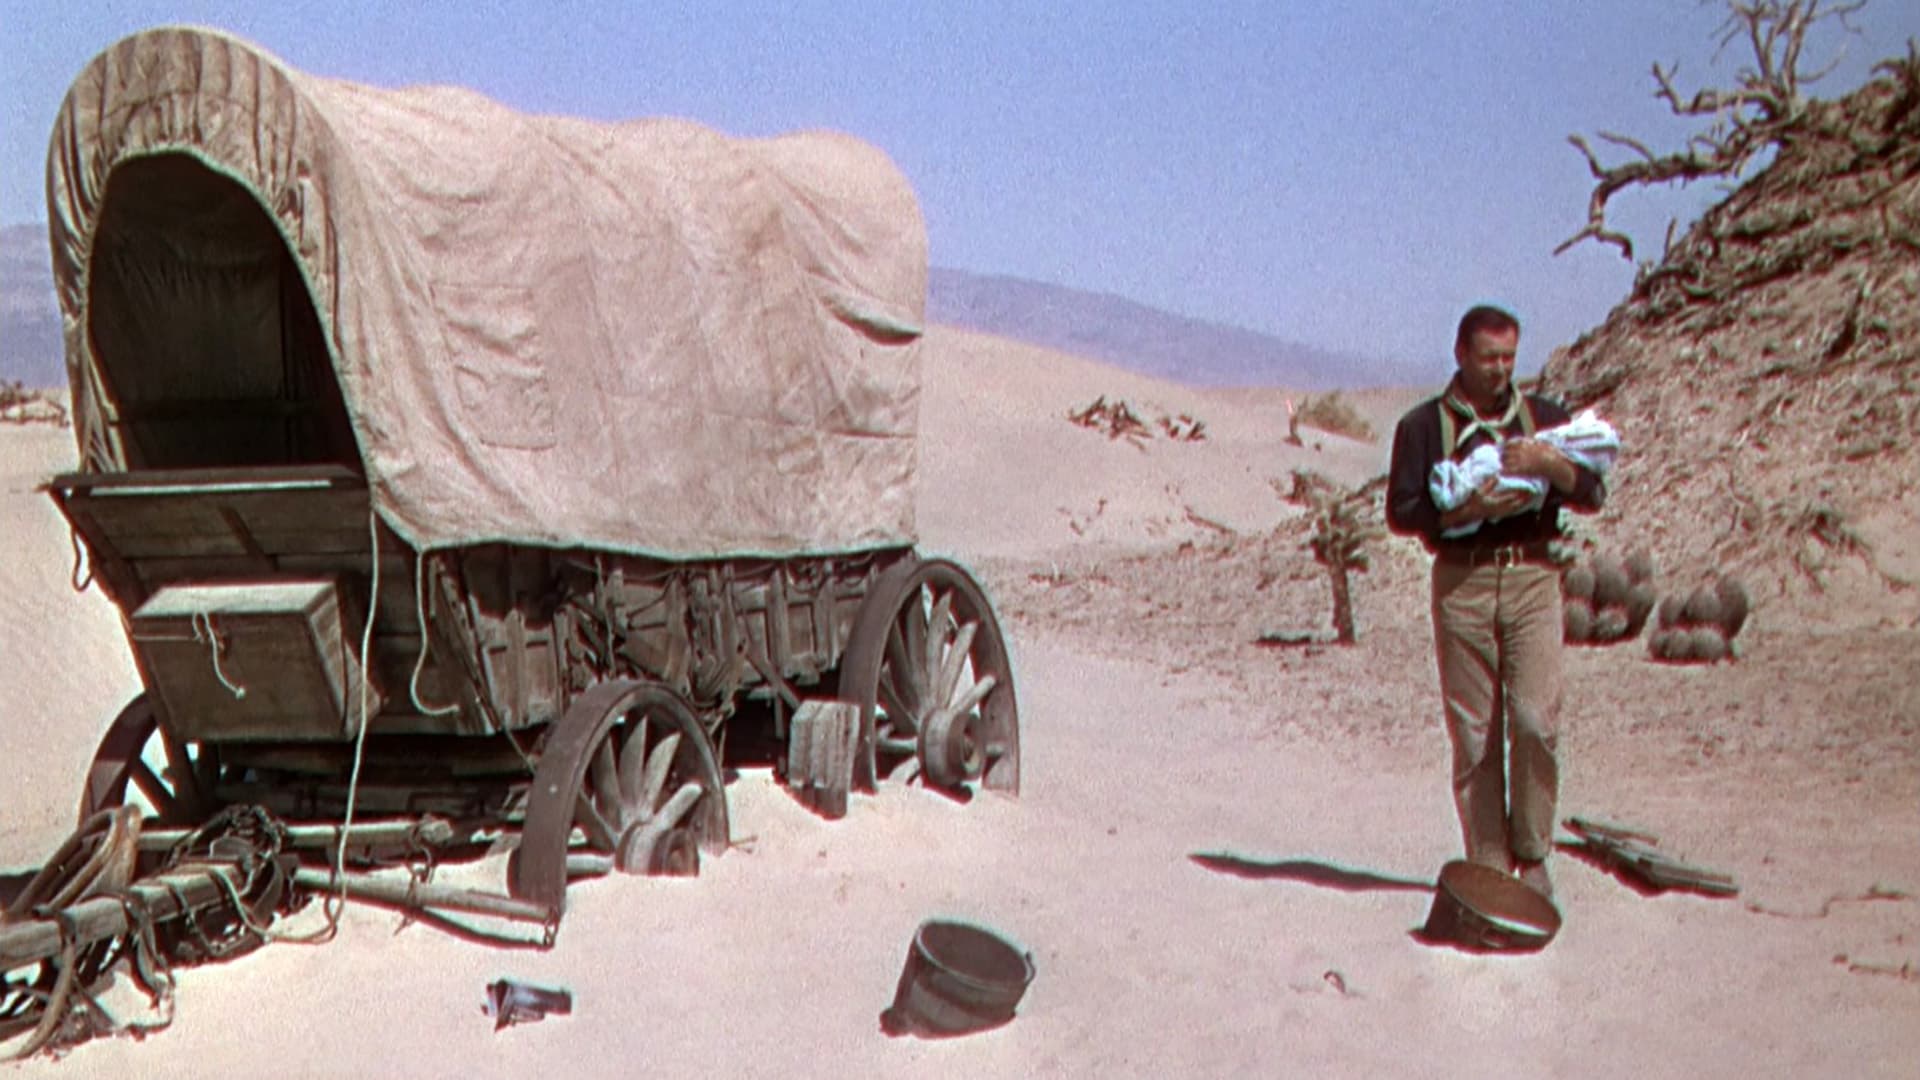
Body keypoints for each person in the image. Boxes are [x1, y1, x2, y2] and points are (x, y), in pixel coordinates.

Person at [1386, 305, 1606, 901]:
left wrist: (1549, 464)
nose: (1500, 370)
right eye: (1489, 358)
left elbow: (1592, 491)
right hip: (1462, 585)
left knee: (1535, 721)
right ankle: (1487, 862)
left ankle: (1532, 853)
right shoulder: (1423, 426)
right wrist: (1465, 511)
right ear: (1460, 354)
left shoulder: (1545, 419)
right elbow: (1402, 510)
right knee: (1475, 734)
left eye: (1509, 358)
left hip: (1534, 580)